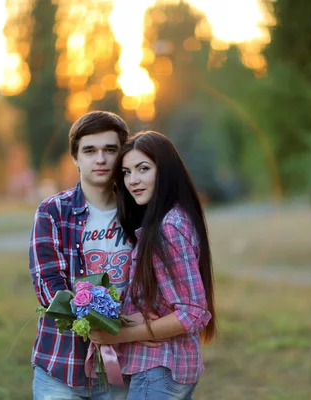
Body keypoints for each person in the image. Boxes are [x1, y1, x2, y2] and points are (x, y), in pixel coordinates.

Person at [89, 131, 217, 400]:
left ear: (165, 170)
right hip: (170, 368)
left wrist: (120, 335)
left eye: (143, 169)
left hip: (158, 369)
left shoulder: (167, 227)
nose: (132, 180)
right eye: (126, 172)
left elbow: (192, 311)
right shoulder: (176, 218)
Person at [29, 110, 133, 400]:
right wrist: (93, 319)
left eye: (110, 150)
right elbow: (48, 284)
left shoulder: (139, 212)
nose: (100, 159)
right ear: (75, 157)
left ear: (122, 155)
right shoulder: (52, 212)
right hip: (61, 365)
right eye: (90, 151)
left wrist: (122, 330)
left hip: (124, 366)